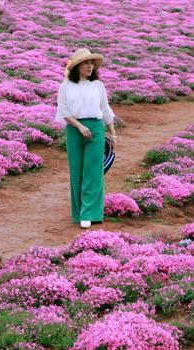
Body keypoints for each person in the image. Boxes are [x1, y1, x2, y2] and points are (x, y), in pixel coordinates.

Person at [55, 48, 117, 229]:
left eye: (92, 63)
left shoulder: (98, 86)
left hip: (96, 129)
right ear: (77, 66)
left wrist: (112, 133)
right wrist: (80, 126)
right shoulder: (65, 86)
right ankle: (80, 211)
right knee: (77, 170)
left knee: (93, 170)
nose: (90, 66)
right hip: (75, 130)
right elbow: (63, 111)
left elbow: (105, 109)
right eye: (86, 63)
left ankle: (89, 213)